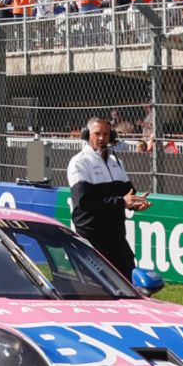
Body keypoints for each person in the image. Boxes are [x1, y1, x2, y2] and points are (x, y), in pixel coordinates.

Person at [67, 116, 149, 277]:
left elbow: (128, 193)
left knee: (128, 281)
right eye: (97, 133)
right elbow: (85, 201)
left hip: (116, 235)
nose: (101, 138)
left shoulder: (116, 162)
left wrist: (135, 204)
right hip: (91, 237)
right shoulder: (79, 162)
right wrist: (122, 202)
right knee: (97, 289)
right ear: (86, 135)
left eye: (105, 134)